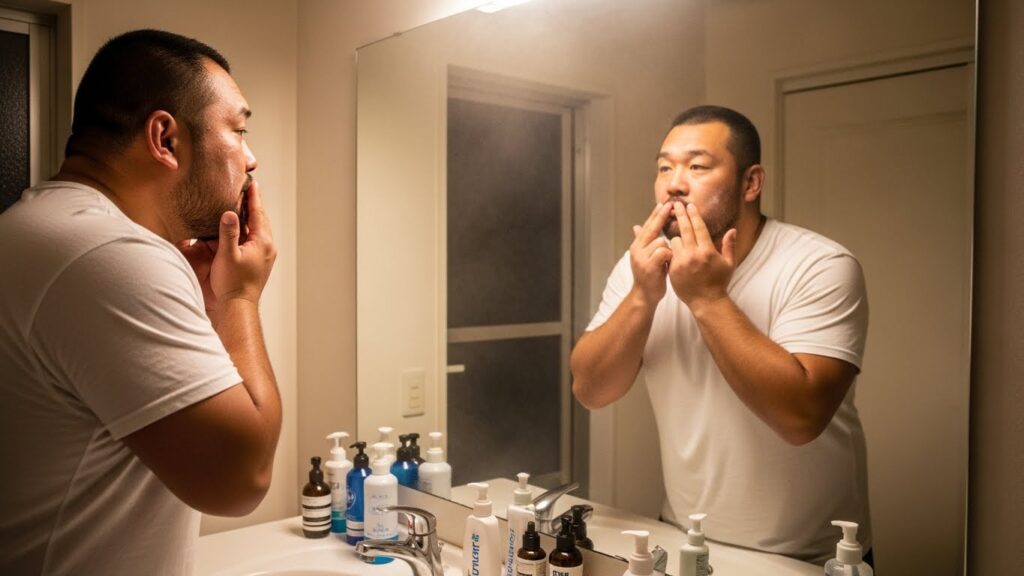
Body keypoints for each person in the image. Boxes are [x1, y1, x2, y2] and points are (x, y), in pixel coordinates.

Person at [0, 29, 280, 574]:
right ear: (165, 138)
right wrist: (238, 297)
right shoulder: (108, 253)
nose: (251, 158)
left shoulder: (34, 226)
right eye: (238, 130)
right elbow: (240, 480)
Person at [570, 105, 870, 564]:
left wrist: (707, 299)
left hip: (809, 555)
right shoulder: (641, 266)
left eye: (697, 166)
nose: (674, 183)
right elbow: (590, 389)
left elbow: (801, 418)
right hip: (684, 538)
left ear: (751, 183)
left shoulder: (819, 266)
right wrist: (643, 296)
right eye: (664, 168)